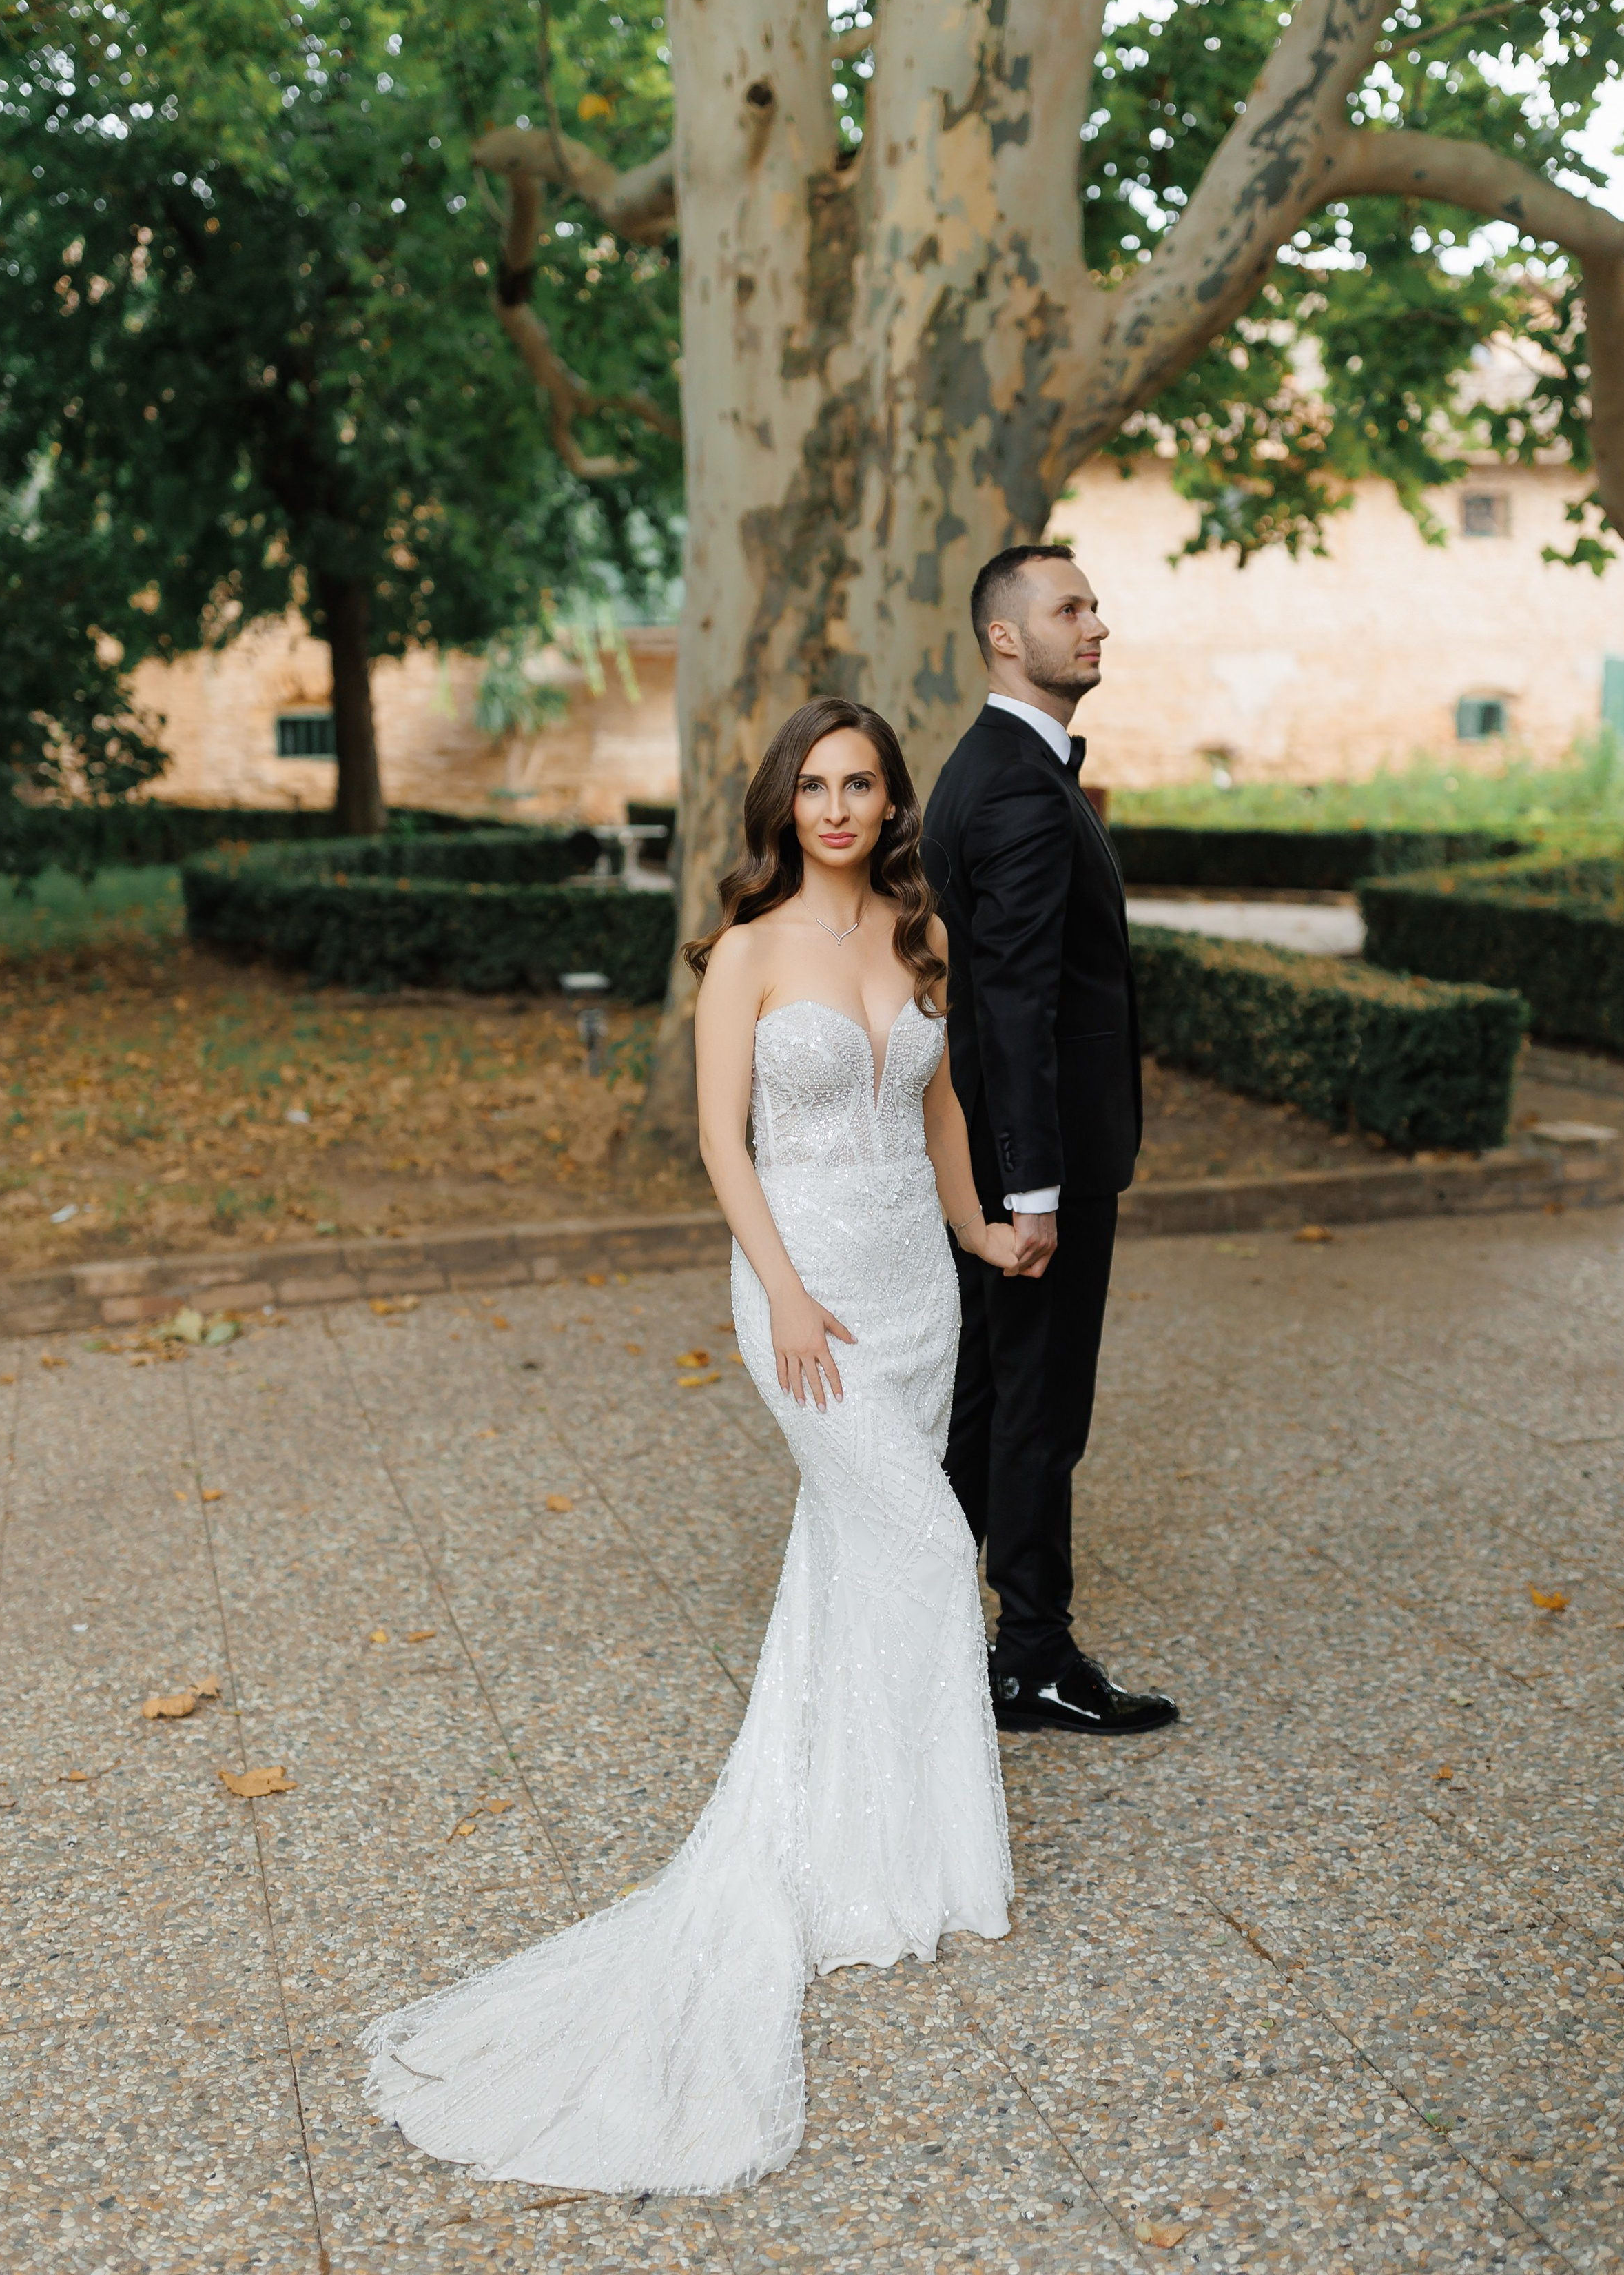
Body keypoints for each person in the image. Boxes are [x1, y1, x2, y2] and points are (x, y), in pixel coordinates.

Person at [361, 696, 1018, 2195]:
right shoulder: (747, 948)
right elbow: (725, 1141)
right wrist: (784, 1288)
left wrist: (979, 1229)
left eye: (860, 784)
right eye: (814, 785)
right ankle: (880, 1859)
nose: (837, 807)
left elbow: (940, 1110)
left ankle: (881, 1856)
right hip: (800, 1289)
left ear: (889, 801)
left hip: (915, 1290)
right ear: (780, 804)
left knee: (855, 1556)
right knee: (922, 1542)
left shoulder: (918, 939)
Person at [923, 542, 1179, 1737]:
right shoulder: (1019, 786)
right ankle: (1031, 1652)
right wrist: (1033, 1193)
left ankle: (912, 1612)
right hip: (1036, 1163)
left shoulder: (991, 767)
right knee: (1037, 1406)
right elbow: (1015, 1003)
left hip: (1014, 1152)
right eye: (1070, 608)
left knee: (989, 1400)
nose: (1097, 624)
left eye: (1094, 603)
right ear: (1004, 638)